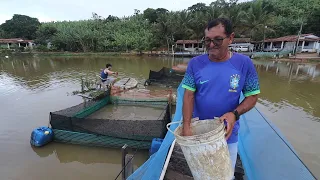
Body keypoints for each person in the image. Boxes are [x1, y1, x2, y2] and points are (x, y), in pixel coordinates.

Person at [181, 18, 260, 176]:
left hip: (226, 134)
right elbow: (188, 95)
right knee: (202, 173)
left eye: (217, 40)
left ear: (230, 38)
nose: (211, 45)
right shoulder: (195, 64)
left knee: (224, 174)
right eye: (207, 40)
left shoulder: (244, 64)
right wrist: (187, 126)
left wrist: (234, 114)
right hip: (199, 133)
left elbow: (252, 96)